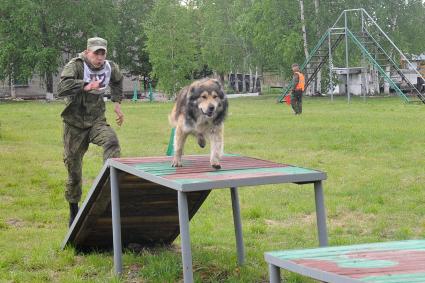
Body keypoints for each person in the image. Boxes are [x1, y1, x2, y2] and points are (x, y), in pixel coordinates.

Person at [57, 37, 124, 226]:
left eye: (103, 53)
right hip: (74, 125)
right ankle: (73, 211)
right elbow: (61, 89)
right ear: (87, 52)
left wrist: (117, 104)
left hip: (96, 121)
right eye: (96, 53)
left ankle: (109, 188)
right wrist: (84, 86)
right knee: (74, 171)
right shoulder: (76, 66)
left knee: (112, 141)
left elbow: (118, 81)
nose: (100, 57)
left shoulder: (110, 67)